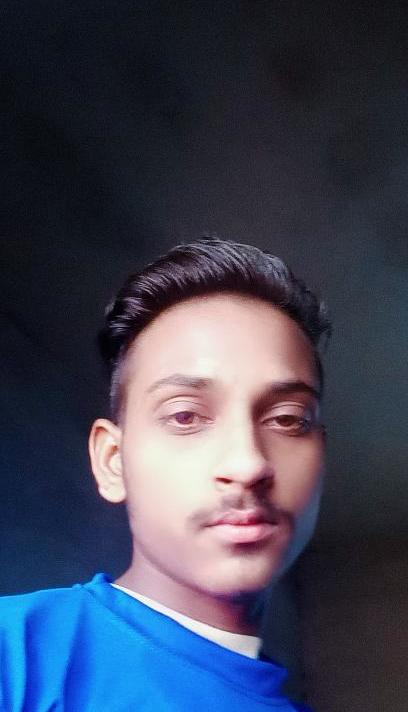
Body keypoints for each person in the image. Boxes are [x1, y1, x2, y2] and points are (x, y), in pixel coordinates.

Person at [0, 238, 330, 711]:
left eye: (287, 419)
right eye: (185, 416)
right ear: (112, 461)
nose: (248, 463)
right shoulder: (16, 654)